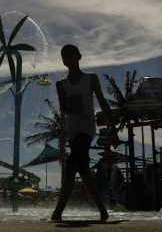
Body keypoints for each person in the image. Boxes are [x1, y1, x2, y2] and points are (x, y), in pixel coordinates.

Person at [50, 44, 119, 222]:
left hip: (87, 129)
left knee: (71, 164)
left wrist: (113, 128)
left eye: (71, 55)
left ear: (79, 56)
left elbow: (103, 102)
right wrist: (76, 113)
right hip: (72, 131)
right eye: (64, 56)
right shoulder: (61, 84)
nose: (68, 59)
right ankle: (103, 211)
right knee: (83, 170)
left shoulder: (90, 78)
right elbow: (63, 109)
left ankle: (57, 212)